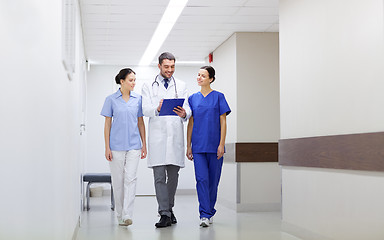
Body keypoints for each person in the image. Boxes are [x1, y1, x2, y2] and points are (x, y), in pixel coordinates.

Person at [141, 52, 191, 228]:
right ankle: (164, 213)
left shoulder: (182, 85)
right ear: (159, 66)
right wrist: (157, 108)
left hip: (175, 136)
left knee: (174, 177)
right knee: (159, 177)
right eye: (166, 67)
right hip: (158, 138)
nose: (170, 70)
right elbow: (145, 109)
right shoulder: (148, 85)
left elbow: (187, 108)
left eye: (172, 67)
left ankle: (169, 209)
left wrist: (185, 113)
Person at [101, 68, 147, 227]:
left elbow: (141, 123)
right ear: (122, 81)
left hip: (134, 145)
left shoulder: (138, 99)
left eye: (135, 80)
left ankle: (127, 213)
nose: (134, 83)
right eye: (131, 80)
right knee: (118, 181)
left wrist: (144, 145)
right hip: (116, 146)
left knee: (130, 179)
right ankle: (120, 214)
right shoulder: (111, 99)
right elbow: (107, 125)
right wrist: (107, 147)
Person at [186, 66, 231, 227]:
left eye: (203, 76)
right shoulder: (192, 98)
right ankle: (204, 214)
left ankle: (210, 210)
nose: (199, 78)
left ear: (211, 79)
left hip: (215, 146)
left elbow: (223, 121)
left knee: (213, 181)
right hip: (198, 146)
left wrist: (221, 144)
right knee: (201, 179)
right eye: (198, 75)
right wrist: (188, 145)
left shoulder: (219, 97)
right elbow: (191, 122)